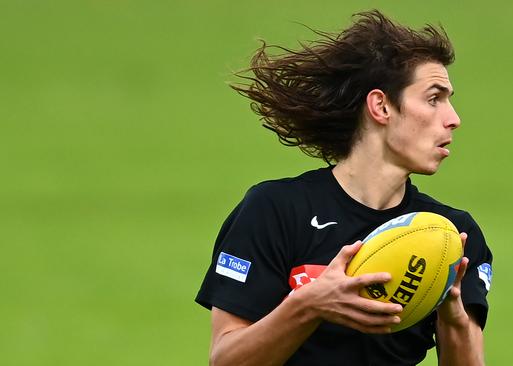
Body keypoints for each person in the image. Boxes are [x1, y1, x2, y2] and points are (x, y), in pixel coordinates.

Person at [196, 10, 493, 366]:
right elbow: (226, 361)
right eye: (434, 98)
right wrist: (309, 304)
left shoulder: (451, 236)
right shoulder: (275, 210)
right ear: (381, 106)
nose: (453, 118)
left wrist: (453, 316)